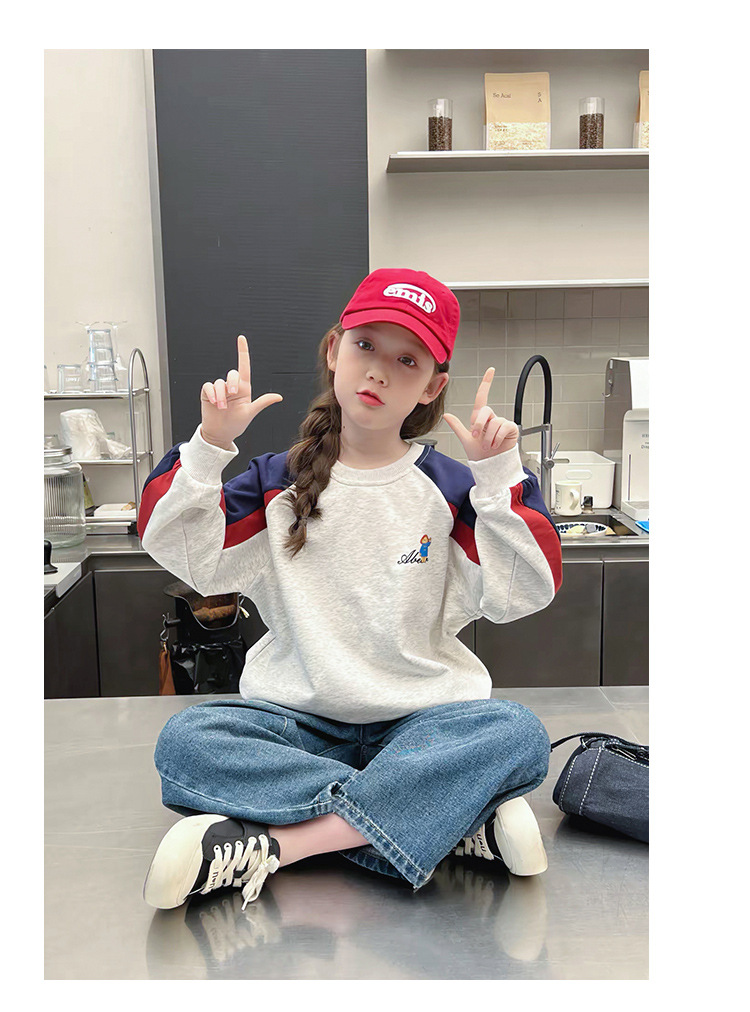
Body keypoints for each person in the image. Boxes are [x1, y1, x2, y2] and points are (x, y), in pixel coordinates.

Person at [139, 267, 563, 913]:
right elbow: (185, 551)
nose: (380, 372)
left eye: (407, 360)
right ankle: (449, 820)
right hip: (297, 725)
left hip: (425, 723)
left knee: (515, 733)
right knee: (188, 743)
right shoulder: (275, 482)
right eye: (366, 346)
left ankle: (285, 843)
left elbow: (522, 591)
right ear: (335, 349)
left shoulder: (454, 489)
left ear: (433, 386)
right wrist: (211, 443)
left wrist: (499, 477)